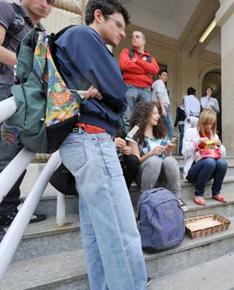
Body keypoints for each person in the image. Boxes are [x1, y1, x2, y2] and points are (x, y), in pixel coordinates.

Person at [54, 1, 148, 288]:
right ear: (98, 16)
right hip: (90, 139)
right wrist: (110, 93)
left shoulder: (81, 41)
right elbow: (119, 91)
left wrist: (107, 93)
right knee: (122, 232)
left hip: (86, 140)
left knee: (98, 233)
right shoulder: (84, 36)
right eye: (118, 25)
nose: (122, 33)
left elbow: (112, 92)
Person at [0, 0, 53, 233]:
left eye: (51, 1)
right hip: (5, 92)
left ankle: (8, 209)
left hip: (26, 100)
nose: (46, 3)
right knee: (6, 154)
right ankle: (5, 210)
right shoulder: (7, 9)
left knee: (16, 154)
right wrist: (28, 64)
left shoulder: (42, 33)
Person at [130, 101, 182, 204]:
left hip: (161, 176)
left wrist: (168, 152)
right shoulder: (134, 135)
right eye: (154, 113)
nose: (158, 116)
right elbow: (135, 162)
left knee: (170, 160)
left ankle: (176, 198)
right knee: (154, 161)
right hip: (144, 176)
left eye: (158, 113)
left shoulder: (161, 134)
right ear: (145, 115)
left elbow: (166, 160)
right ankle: (144, 199)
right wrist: (150, 154)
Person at [183, 108, 228, 206]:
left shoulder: (214, 135)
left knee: (222, 163)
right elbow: (184, 153)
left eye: (211, 124)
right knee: (210, 162)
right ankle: (198, 194)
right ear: (200, 122)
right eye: (206, 123)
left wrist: (220, 145)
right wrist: (198, 143)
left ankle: (216, 192)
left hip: (208, 170)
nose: (208, 126)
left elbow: (222, 155)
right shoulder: (190, 132)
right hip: (193, 171)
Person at [119, 30, 159, 133]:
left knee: (143, 119)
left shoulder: (150, 58)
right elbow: (125, 65)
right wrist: (146, 69)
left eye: (137, 36)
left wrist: (137, 61)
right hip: (129, 87)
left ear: (144, 41)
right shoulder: (126, 52)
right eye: (132, 36)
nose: (133, 38)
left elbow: (155, 70)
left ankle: (139, 143)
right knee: (127, 117)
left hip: (146, 90)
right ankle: (129, 142)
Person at [152, 69, 173, 139]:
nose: (166, 76)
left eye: (166, 75)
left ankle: (163, 144)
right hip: (162, 106)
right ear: (159, 76)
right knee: (169, 126)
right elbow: (159, 95)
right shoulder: (160, 82)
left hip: (159, 106)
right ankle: (167, 145)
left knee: (161, 127)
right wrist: (163, 109)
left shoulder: (158, 83)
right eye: (164, 75)